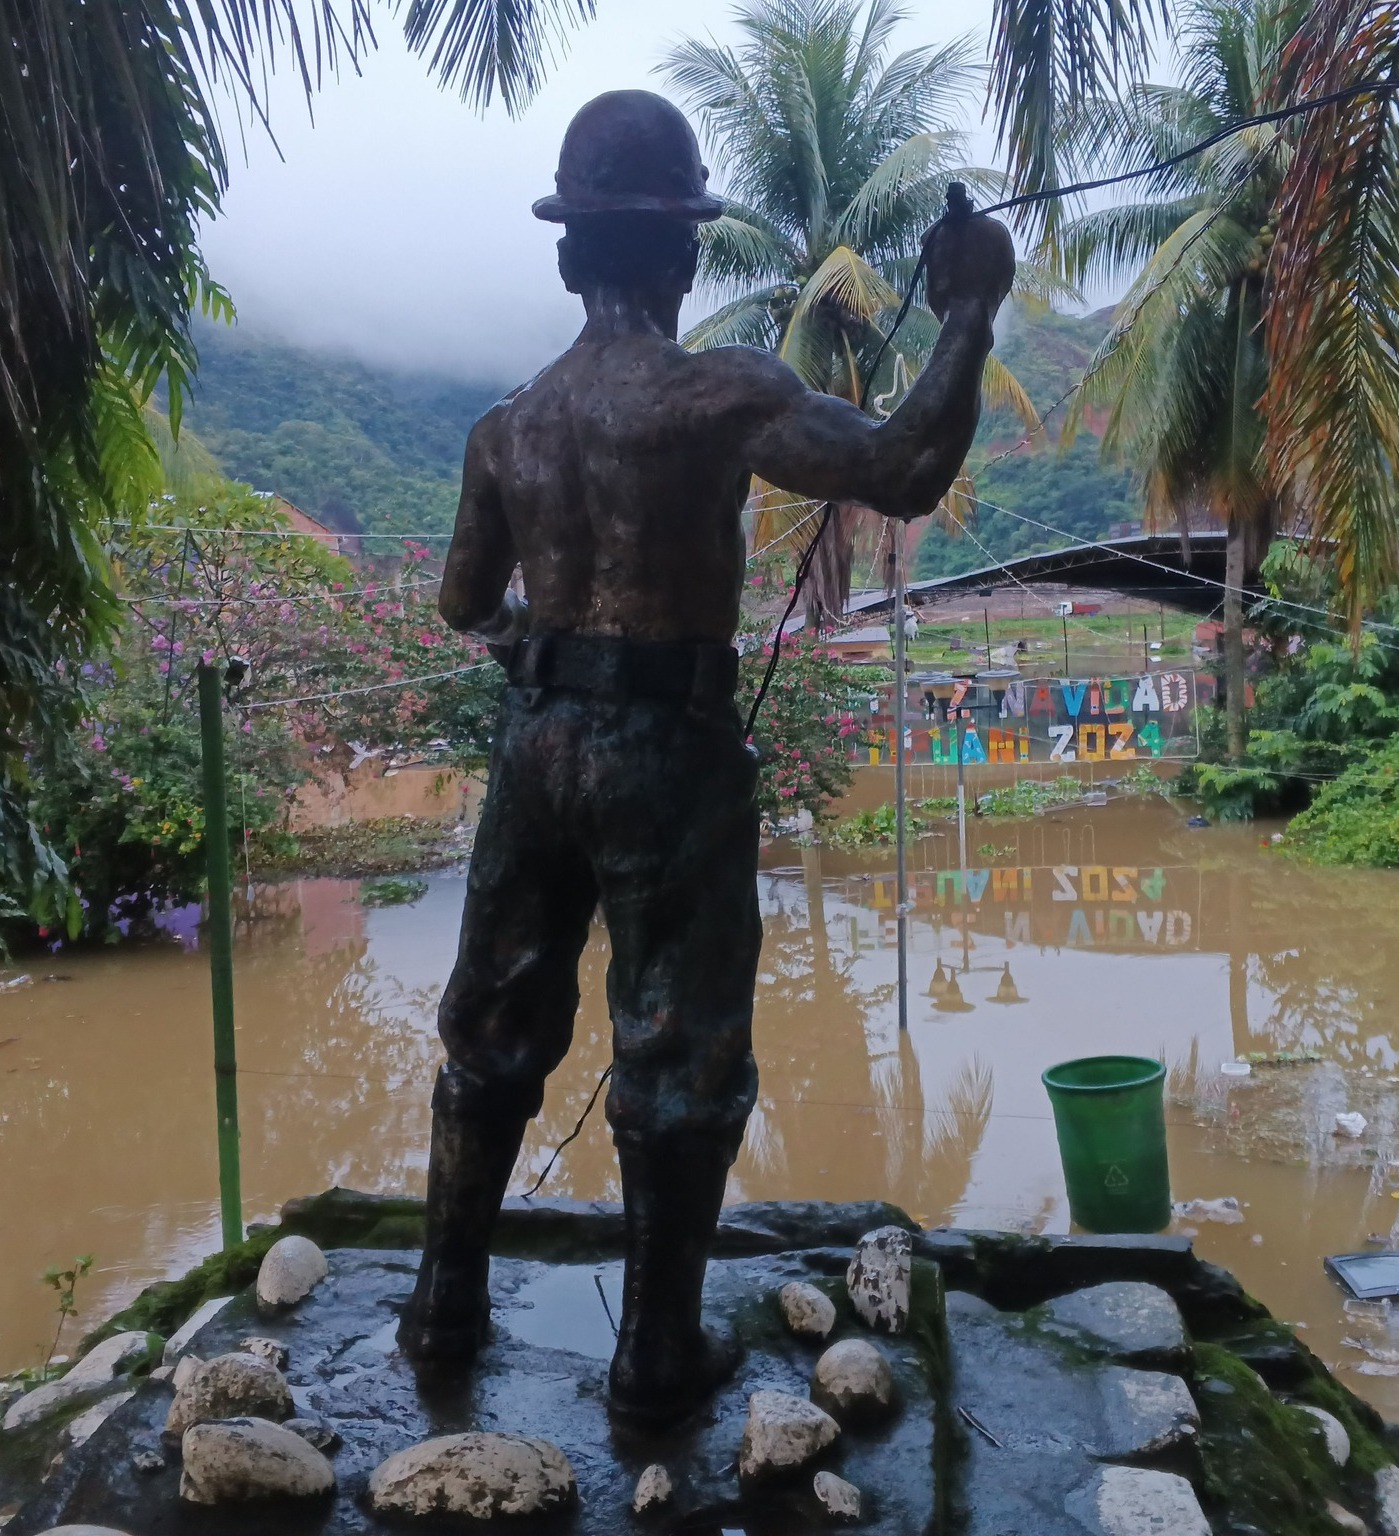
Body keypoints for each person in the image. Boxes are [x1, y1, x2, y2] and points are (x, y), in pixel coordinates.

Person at [400, 89, 1015, 1423]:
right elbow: (905, 466)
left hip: (537, 743)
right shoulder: (718, 395)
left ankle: (445, 1305)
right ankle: (658, 1353)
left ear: (574, 254)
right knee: (677, 1046)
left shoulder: (507, 427)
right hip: (666, 752)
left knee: (490, 1024)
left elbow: (463, 603)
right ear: (683, 253)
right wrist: (968, 310)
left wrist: (531, 650)